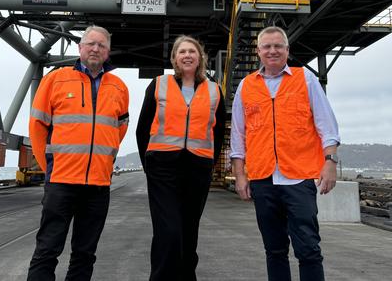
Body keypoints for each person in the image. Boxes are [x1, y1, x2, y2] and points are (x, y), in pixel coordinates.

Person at [230, 26, 340, 281]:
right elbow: (238, 136)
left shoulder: (306, 79)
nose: (272, 51)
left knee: (309, 248)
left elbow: (327, 124)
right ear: (258, 52)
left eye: (278, 46)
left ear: (287, 50)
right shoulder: (246, 87)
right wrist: (240, 176)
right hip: (263, 179)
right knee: (274, 249)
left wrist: (330, 161)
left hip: (299, 178)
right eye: (267, 46)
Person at [27, 25, 130, 281]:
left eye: (102, 46)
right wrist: (49, 167)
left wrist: (104, 162)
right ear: (80, 47)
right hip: (61, 181)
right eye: (91, 44)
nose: (96, 49)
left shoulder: (119, 87)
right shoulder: (56, 79)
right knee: (47, 249)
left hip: (97, 185)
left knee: (85, 253)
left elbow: (120, 128)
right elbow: (37, 127)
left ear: (108, 53)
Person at [136, 35, 226, 281]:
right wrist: (149, 165)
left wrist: (209, 163)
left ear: (200, 58)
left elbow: (218, 133)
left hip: (198, 168)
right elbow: (142, 128)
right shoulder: (158, 84)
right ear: (174, 58)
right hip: (163, 168)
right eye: (182, 52)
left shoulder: (214, 90)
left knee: (189, 230)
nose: (187, 55)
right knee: (169, 230)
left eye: (192, 51)